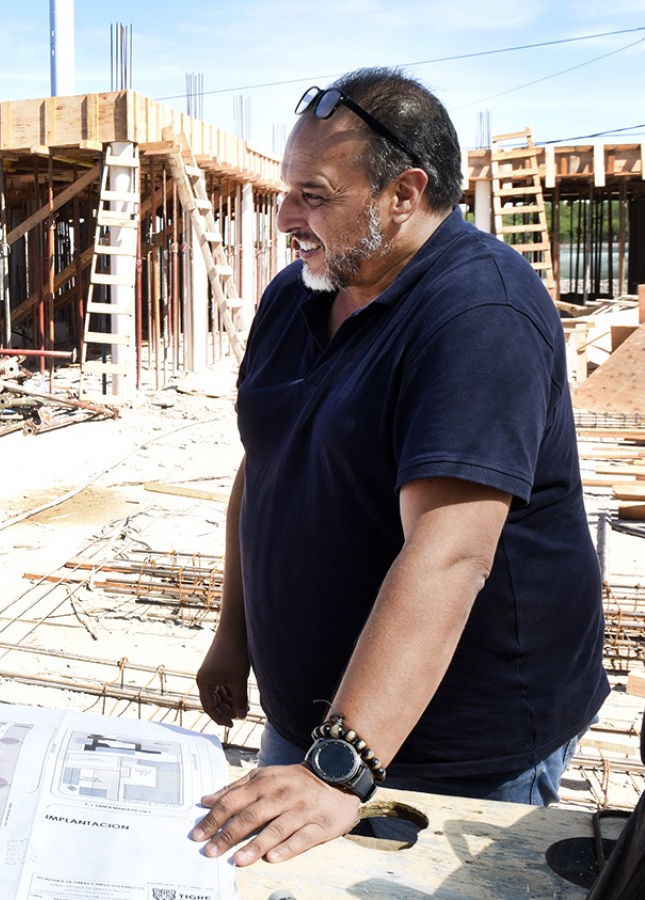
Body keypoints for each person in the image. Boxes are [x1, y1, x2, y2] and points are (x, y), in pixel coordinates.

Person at [190, 67, 608, 866]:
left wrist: (338, 768)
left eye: (313, 195)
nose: (285, 218)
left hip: (452, 751)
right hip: (315, 723)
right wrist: (234, 634)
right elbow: (266, 466)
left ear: (403, 195)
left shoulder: (479, 313)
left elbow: (449, 555)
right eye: (288, 191)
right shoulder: (300, 295)